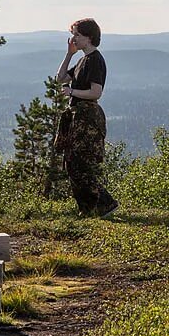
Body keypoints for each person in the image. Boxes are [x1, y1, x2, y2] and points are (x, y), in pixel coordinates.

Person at [55, 18, 119, 218]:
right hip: (78, 116)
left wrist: (72, 92)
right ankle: (88, 208)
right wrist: (69, 54)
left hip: (88, 117)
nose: (73, 38)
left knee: (81, 163)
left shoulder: (95, 60)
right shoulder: (82, 60)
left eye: (77, 35)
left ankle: (104, 204)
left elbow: (95, 92)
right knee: (72, 162)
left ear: (89, 37)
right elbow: (60, 78)